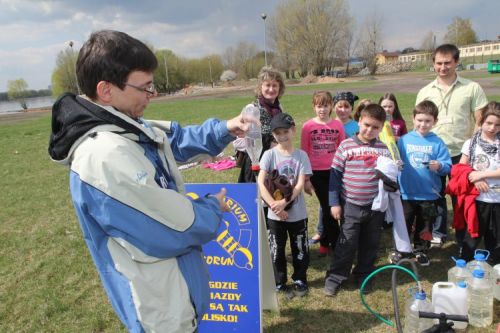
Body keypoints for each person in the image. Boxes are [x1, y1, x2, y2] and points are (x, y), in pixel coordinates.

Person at [47, 30, 253, 333]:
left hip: (174, 298)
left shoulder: (124, 124)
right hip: (160, 313)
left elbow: (172, 139)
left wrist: (224, 128)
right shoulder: (104, 156)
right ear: (106, 90)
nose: (150, 95)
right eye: (143, 87)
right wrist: (213, 207)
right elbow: (173, 226)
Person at [416, 43, 488, 248]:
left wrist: (472, 147)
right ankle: (432, 236)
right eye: (439, 63)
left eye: (448, 63)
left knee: (462, 199)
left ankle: (464, 241)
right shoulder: (425, 91)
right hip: (434, 155)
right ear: (433, 64)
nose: (443, 67)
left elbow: (480, 120)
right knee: (432, 197)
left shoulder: (472, 88)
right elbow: (420, 122)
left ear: (456, 62)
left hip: (461, 155)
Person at [324, 104, 391, 296]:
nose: (370, 130)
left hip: (375, 207)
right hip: (351, 205)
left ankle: (364, 274)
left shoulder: (383, 149)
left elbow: (388, 175)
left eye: (375, 127)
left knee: (370, 243)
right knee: (347, 243)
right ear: (359, 121)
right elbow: (335, 177)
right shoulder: (346, 146)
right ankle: (336, 277)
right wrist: (334, 203)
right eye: (367, 124)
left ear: (381, 128)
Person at [257, 113, 312, 297]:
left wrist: (284, 202)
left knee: (300, 247)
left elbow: (299, 185)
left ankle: (300, 279)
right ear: (273, 135)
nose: (282, 136)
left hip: (296, 213)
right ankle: (279, 281)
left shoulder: (301, 155)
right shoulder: (269, 155)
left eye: (286, 131)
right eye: (278, 133)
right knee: (276, 250)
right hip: (275, 215)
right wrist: (274, 205)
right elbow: (261, 183)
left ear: (293, 130)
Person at [394, 100, 452, 265]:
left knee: (425, 224)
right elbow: (395, 160)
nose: (423, 124)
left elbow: (448, 166)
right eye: (420, 120)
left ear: (435, 121)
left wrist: (439, 165)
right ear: (413, 119)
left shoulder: (437, 142)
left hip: (428, 194)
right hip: (406, 192)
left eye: (428, 121)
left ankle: (421, 251)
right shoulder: (404, 140)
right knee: (404, 223)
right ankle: (401, 251)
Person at [301, 91, 345, 257]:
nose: (322, 109)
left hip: (334, 171)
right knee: (329, 208)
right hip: (316, 173)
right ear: (314, 107)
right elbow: (304, 152)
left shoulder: (337, 125)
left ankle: (326, 242)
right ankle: (335, 244)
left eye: (326, 105)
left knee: (332, 207)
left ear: (331, 107)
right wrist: (306, 178)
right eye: (319, 106)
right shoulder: (308, 127)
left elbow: (342, 149)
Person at [455, 102, 500, 264]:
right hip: (477, 201)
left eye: (497, 125)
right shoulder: (471, 143)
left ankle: (494, 269)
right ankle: (464, 265)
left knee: (495, 239)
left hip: (497, 201)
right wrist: (474, 176)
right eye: (489, 123)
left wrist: (482, 174)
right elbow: (460, 167)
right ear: (481, 122)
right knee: (472, 235)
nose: (492, 128)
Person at [238, 67, 285, 183]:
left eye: (275, 85)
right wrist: (267, 141)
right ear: (260, 87)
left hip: (275, 159)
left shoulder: (280, 108)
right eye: (267, 85)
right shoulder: (251, 108)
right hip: (256, 162)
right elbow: (241, 138)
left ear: (280, 88)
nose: (271, 89)